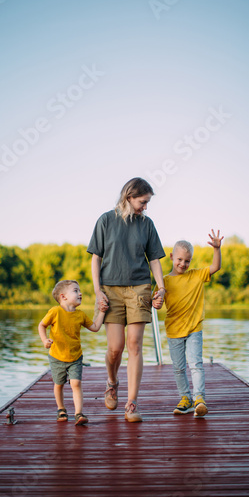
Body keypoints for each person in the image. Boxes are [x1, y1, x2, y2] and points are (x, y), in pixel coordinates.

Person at [87, 177, 166, 423]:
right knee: (115, 348)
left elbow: (154, 259)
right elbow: (96, 259)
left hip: (139, 288)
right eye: (143, 202)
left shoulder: (147, 224)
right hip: (110, 289)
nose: (145, 207)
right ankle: (112, 382)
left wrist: (161, 287)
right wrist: (97, 291)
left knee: (134, 345)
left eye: (147, 202)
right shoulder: (105, 220)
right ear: (129, 197)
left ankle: (131, 404)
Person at [156, 230, 223, 417]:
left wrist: (217, 249)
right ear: (171, 257)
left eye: (187, 261)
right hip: (174, 330)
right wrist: (156, 301)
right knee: (178, 368)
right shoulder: (164, 282)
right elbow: (157, 302)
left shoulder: (196, 275)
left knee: (196, 364)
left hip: (194, 329)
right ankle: (185, 398)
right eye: (179, 260)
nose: (183, 264)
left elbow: (215, 267)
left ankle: (199, 398)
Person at [38, 280, 106, 425]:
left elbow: (95, 327)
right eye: (75, 291)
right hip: (57, 356)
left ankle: (79, 413)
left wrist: (101, 312)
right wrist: (44, 340)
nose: (80, 293)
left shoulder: (80, 315)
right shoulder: (55, 312)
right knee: (59, 384)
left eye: (79, 290)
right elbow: (42, 325)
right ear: (63, 296)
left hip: (75, 356)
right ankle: (61, 409)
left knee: (76, 383)